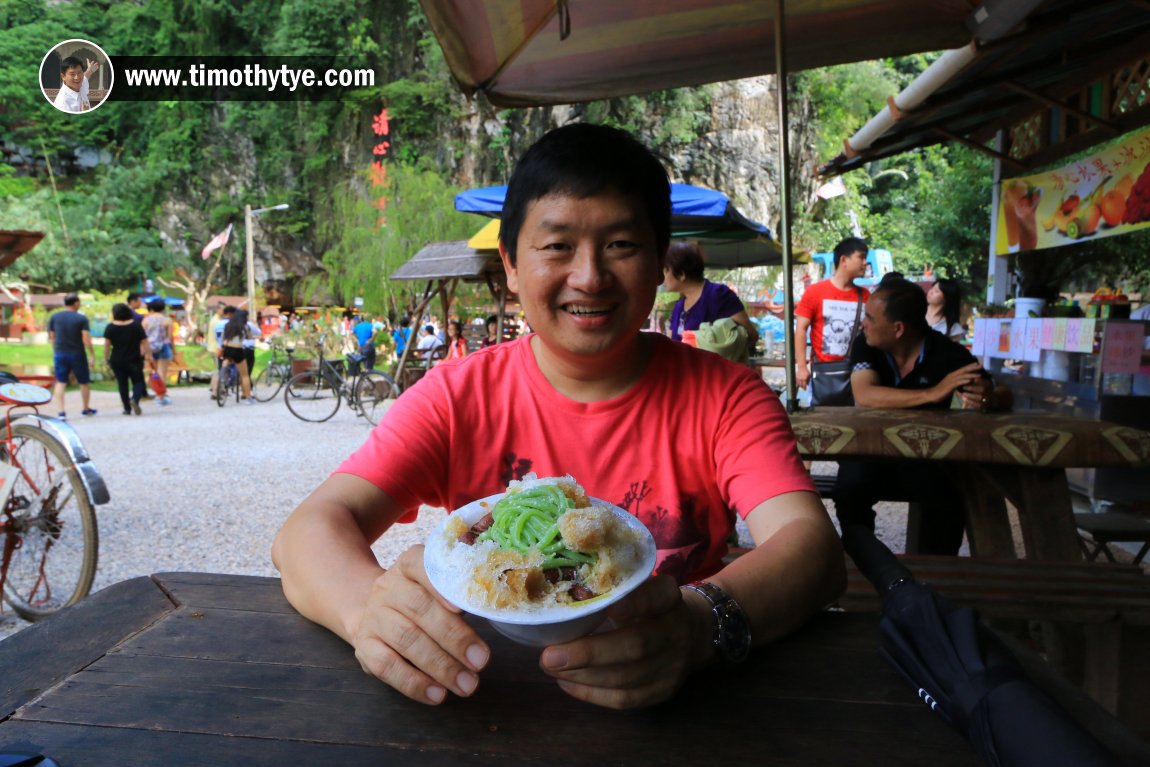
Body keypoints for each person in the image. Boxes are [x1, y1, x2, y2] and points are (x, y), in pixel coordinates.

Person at [272, 123, 844, 711]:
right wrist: (368, 610)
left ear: (658, 263)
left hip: (687, 711)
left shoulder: (728, 395)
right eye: (556, 246)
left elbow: (812, 550)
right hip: (493, 703)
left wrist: (700, 627)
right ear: (512, 265)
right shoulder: (454, 396)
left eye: (621, 244)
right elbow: (307, 532)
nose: (590, 276)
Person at [832, 277, 1005, 555]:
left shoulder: (947, 353)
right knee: (849, 489)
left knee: (950, 495)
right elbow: (866, 396)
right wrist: (934, 393)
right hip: (869, 451)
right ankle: (864, 561)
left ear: (898, 329)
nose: (863, 323)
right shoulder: (867, 343)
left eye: (870, 318)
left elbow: (995, 392)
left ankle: (935, 573)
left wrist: (988, 396)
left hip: (924, 455)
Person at [794, 237, 869, 405]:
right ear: (844, 260)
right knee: (823, 423)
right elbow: (800, 329)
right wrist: (801, 366)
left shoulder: (865, 296)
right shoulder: (816, 292)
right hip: (823, 372)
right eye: (861, 257)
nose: (865, 263)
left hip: (857, 373)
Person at [663, 242, 759, 349]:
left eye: (666, 270)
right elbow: (672, 343)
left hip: (714, 365)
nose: (662, 277)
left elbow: (751, 335)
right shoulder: (679, 306)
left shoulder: (718, 295)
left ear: (681, 274)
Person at [47, 293, 97, 419]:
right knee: (83, 381)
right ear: (76, 303)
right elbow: (86, 339)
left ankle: (61, 412)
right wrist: (92, 354)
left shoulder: (54, 317)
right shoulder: (81, 318)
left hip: (60, 353)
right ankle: (85, 408)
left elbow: (52, 337)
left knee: (61, 382)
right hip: (77, 354)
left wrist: (55, 351)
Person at [103, 303, 152, 415]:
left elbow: (107, 345)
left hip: (117, 360)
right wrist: (149, 355)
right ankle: (135, 398)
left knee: (122, 383)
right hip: (134, 359)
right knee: (138, 381)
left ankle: (127, 408)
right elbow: (144, 341)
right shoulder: (136, 325)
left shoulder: (110, 327)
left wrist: (105, 358)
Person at [142, 299, 174, 406]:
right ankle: (160, 397)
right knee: (162, 373)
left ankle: (143, 390)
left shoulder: (145, 320)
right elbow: (170, 337)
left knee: (152, 371)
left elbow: (142, 336)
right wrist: (173, 349)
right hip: (163, 346)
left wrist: (143, 349)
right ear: (163, 308)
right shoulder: (167, 320)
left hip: (149, 347)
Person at [220, 309, 255, 404]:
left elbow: (223, 338)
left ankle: (223, 375)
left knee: (226, 361)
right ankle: (248, 397)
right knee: (245, 375)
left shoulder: (227, 325)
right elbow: (249, 337)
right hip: (238, 349)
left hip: (227, 349)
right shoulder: (245, 326)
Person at [925, 277, 966, 342]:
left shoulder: (953, 328)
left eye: (936, 291)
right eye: (931, 288)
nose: (930, 292)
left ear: (947, 297)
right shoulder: (916, 312)